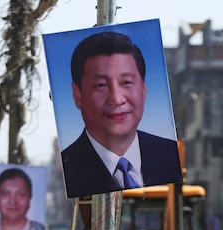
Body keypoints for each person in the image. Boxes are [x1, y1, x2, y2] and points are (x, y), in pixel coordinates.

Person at [61, 31, 182, 198]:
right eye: (101, 85)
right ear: (78, 94)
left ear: (144, 89)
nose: (117, 99)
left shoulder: (167, 155)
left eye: (126, 83)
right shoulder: (70, 166)